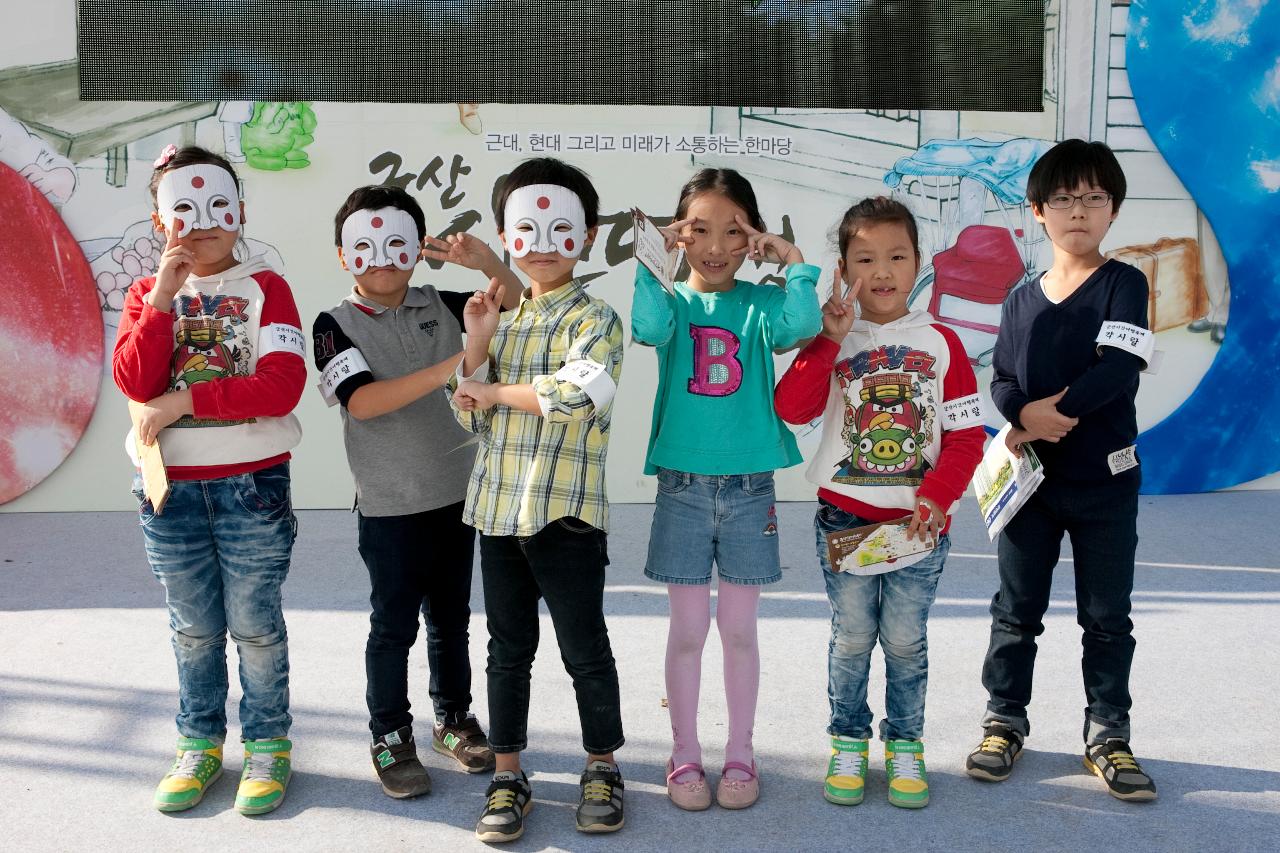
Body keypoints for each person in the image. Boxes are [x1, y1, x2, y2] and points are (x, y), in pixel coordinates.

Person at [112, 144, 306, 815]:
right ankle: (198, 741)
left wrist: (185, 402)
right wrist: (164, 295)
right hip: (170, 493)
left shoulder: (268, 287)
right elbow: (135, 381)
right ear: (160, 218)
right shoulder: (146, 294)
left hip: (252, 485)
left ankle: (268, 744)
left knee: (254, 625)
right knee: (192, 627)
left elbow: (282, 385)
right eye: (183, 210)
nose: (203, 222)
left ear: (242, 210)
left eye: (218, 205)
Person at [312, 185, 521, 798]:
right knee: (393, 624)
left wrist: (486, 262)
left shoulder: (449, 302)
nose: (381, 257)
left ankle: (452, 718)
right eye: (365, 246)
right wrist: (456, 364)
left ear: (417, 249)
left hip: (459, 495)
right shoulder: (333, 325)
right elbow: (364, 402)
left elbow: (520, 308)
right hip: (389, 505)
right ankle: (389, 732)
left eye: (396, 243)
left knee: (452, 618)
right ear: (342, 254)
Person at [775, 196, 985, 808]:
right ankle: (847, 740)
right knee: (850, 637)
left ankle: (905, 745)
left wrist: (940, 495)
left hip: (919, 526)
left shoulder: (943, 343)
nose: (883, 270)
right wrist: (824, 342)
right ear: (843, 268)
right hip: (845, 520)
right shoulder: (831, 336)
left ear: (919, 262)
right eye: (866, 258)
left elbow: (967, 436)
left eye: (897, 256)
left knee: (905, 639)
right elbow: (793, 409)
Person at [965, 139, 1158, 802]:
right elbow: (1003, 377)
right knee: (1016, 611)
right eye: (1064, 198)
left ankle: (1108, 732)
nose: (1079, 210)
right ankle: (1003, 721)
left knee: (1107, 617)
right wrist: (1022, 414)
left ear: (1112, 211)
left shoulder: (1125, 283)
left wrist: (1057, 413)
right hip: (1032, 490)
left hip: (1105, 486)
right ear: (1038, 211)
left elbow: (1119, 366)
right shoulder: (1020, 299)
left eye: (1094, 198)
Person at [448, 158, 626, 842]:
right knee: (507, 648)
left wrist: (493, 390)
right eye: (526, 228)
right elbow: (469, 415)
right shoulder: (503, 317)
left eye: (561, 228)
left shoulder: (597, 318)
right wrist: (477, 348)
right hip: (497, 512)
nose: (543, 240)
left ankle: (602, 764)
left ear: (585, 238)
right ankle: (507, 771)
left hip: (567, 516)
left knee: (585, 647)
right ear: (506, 234)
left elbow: (577, 396)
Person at [632, 168, 822, 811]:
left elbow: (802, 325)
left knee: (740, 630)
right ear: (681, 238)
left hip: (749, 491)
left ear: (752, 237)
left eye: (733, 232)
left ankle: (740, 753)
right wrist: (652, 256)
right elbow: (648, 326)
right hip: (682, 489)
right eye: (700, 230)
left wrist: (792, 260)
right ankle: (684, 753)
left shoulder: (762, 304)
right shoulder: (674, 302)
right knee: (687, 631)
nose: (715, 246)